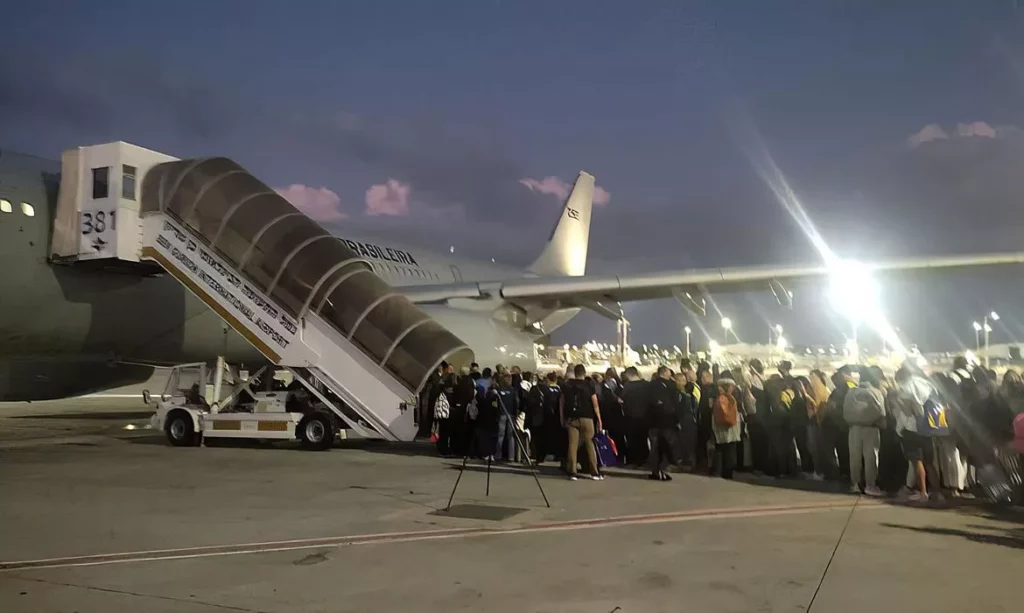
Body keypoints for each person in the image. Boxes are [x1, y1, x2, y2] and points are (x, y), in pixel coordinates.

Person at [843, 367, 886, 496]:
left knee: (854, 457)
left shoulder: (851, 392)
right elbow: (881, 412)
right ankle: (870, 485)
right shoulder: (876, 392)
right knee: (871, 457)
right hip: (871, 428)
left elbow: (845, 411)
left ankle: (855, 483)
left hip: (854, 427)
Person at [560, 364, 603, 481]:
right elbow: (595, 404)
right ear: (584, 373)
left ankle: (572, 472)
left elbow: (562, 403)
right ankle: (594, 472)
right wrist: (599, 419)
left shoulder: (567, 385)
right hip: (587, 418)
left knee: (572, 445)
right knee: (590, 444)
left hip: (571, 418)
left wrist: (562, 418)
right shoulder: (589, 385)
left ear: (575, 373)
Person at [712, 371, 753, 480]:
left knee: (722, 449)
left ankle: (721, 471)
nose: (733, 388)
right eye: (731, 386)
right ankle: (727, 472)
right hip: (728, 427)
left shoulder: (720, 397)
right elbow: (728, 414)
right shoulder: (727, 398)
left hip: (723, 427)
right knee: (728, 450)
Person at [647, 365, 680, 481]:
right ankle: (663, 470)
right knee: (666, 447)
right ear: (665, 373)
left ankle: (655, 471)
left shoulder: (650, 385)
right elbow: (675, 404)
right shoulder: (670, 386)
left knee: (655, 448)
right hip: (667, 422)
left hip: (653, 422)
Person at [620, 367, 651, 467]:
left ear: (629, 375)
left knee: (633, 440)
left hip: (631, 417)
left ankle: (636, 461)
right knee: (643, 439)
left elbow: (621, 400)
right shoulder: (646, 384)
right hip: (645, 416)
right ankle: (645, 458)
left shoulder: (628, 386)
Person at [493, 372, 520, 462]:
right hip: (511, 415)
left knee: (501, 435)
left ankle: (498, 455)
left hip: (502, 414)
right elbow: (517, 403)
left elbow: (496, 404)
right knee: (511, 436)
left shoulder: (499, 390)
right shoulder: (513, 390)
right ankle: (511, 456)